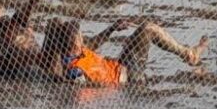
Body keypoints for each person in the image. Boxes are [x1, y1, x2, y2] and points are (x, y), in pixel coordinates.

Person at [40, 17, 208, 87]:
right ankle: (189, 55)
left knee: (143, 33)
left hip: (120, 64)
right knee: (148, 28)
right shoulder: (75, 69)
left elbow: (95, 42)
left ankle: (189, 59)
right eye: (81, 36)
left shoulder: (77, 52)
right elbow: (78, 84)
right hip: (128, 75)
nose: (84, 38)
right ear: (76, 43)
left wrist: (112, 28)